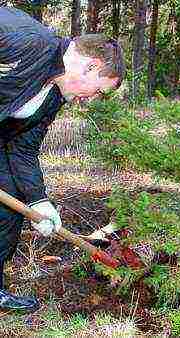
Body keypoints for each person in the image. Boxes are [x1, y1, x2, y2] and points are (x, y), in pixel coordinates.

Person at [0, 6, 125, 312]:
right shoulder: (25, 42)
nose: (91, 99)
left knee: (11, 203)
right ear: (91, 67)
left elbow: (23, 148)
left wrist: (39, 200)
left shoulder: (54, 95)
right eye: (98, 91)